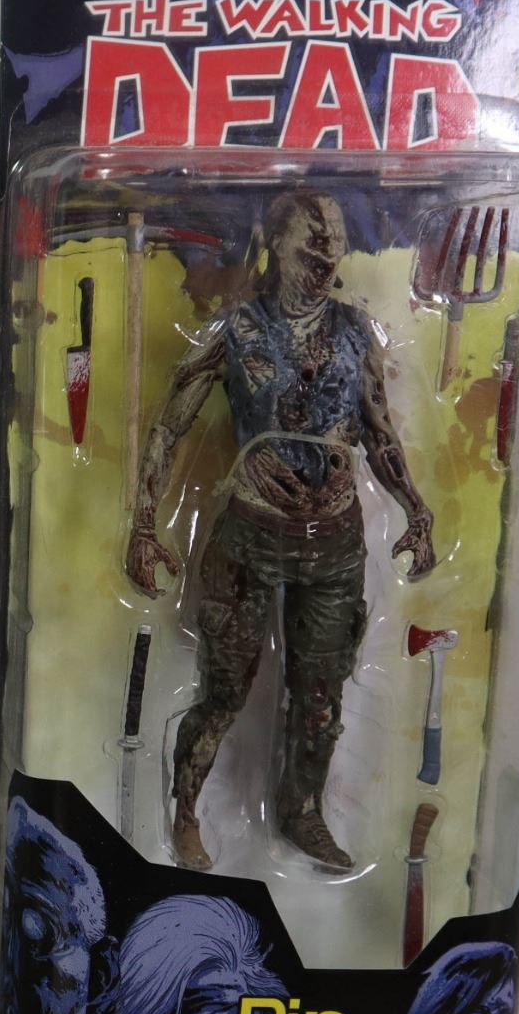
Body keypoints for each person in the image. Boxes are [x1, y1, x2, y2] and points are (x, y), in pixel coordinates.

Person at [127, 190, 436, 870]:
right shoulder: (236, 331)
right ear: (276, 245)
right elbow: (169, 426)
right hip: (250, 536)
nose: (327, 257)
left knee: (321, 691)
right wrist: (144, 525)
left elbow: (380, 432)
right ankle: (186, 814)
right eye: (312, 245)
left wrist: (416, 509)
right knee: (224, 689)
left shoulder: (354, 332)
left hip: (334, 543)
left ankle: (302, 814)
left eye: (335, 245)